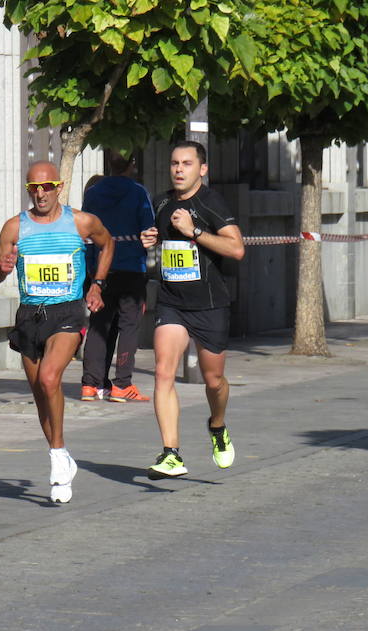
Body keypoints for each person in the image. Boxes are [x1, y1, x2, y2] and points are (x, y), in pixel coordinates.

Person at [0, 161, 113, 503]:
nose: (40, 193)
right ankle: (60, 454)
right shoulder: (15, 227)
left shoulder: (80, 221)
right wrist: (1, 268)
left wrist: (98, 285)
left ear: (59, 187)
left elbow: (108, 244)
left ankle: (58, 458)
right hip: (30, 315)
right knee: (42, 396)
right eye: (33, 188)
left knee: (49, 378)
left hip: (68, 312)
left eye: (47, 187)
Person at [140, 141, 245, 479]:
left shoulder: (211, 203)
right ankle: (171, 453)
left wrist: (195, 231)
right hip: (172, 303)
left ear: (202, 169)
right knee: (162, 372)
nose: (179, 169)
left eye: (187, 163)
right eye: (174, 163)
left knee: (213, 381)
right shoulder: (161, 201)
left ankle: (217, 425)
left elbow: (237, 248)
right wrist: (151, 239)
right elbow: (163, 242)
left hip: (210, 305)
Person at [80, 150, 154, 403]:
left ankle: (90, 384)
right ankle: (122, 384)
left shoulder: (92, 194)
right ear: (132, 163)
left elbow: (86, 232)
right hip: (131, 268)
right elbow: (149, 231)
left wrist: (91, 272)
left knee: (99, 325)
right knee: (129, 326)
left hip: (100, 270)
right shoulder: (138, 192)